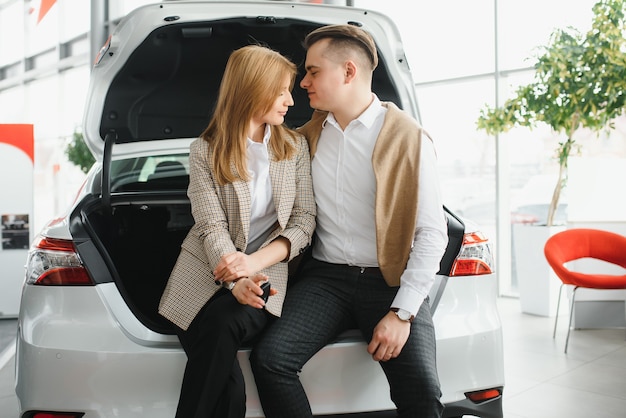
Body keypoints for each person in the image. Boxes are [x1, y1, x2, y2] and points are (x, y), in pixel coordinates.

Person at [250, 24, 448, 418]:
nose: (303, 82)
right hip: (326, 280)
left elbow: (431, 235)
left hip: (388, 280)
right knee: (270, 360)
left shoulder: (410, 138)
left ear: (348, 71)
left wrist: (402, 313)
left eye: (312, 71)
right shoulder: (302, 138)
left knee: (423, 393)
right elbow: (266, 207)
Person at [158, 44, 316, 418]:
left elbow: (304, 221)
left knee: (223, 324)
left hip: (264, 274)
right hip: (199, 276)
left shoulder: (294, 147)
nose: (290, 102)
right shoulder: (204, 151)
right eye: (281, 91)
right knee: (227, 389)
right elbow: (210, 224)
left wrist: (250, 267)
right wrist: (233, 281)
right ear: (253, 89)